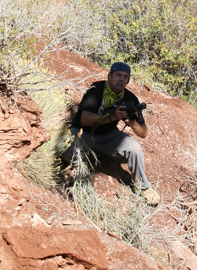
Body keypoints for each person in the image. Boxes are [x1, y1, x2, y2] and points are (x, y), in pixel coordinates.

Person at [63, 62, 159, 206]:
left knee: (135, 149)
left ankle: (142, 187)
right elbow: (83, 119)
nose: (121, 79)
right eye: (118, 75)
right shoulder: (97, 89)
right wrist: (112, 116)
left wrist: (131, 123)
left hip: (109, 136)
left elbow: (143, 133)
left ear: (128, 81)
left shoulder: (130, 99)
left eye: (125, 76)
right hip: (84, 132)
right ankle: (82, 167)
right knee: (64, 148)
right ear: (110, 76)